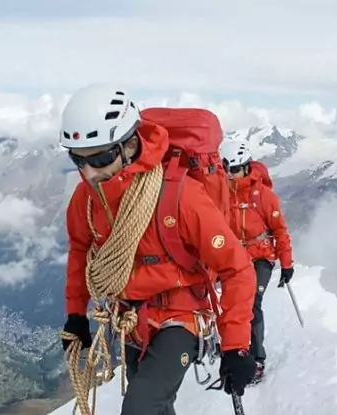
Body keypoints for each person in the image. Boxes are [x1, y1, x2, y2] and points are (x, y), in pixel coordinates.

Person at [58, 83, 258, 415]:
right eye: (78, 160)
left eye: (101, 158)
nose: (89, 173)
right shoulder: (88, 200)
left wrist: (236, 345)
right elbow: (81, 250)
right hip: (132, 318)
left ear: (131, 144)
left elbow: (236, 268)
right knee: (155, 408)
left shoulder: (181, 196)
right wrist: (76, 314)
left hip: (182, 317)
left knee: (140, 407)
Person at [219, 140, 295, 384]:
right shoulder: (222, 193)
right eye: (226, 170)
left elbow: (280, 230)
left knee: (251, 303)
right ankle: (233, 348)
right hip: (233, 256)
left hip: (260, 255)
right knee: (231, 303)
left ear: (246, 167)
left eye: (234, 170)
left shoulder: (263, 195)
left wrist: (286, 263)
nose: (230, 175)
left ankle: (256, 358)